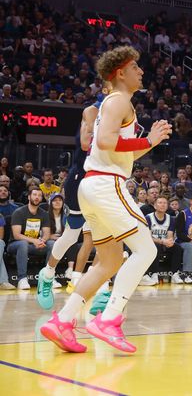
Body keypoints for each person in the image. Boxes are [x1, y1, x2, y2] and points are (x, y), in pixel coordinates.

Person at [40, 46, 171, 354]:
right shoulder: (119, 100)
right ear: (120, 72)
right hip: (105, 185)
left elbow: (120, 150)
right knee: (146, 249)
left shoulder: (114, 104)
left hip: (93, 186)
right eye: (135, 67)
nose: (141, 71)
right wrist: (149, 139)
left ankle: (63, 320)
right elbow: (104, 141)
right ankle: (109, 319)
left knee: (109, 261)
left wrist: (150, 143)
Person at [35, 89, 106, 308]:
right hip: (81, 178)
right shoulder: (92, 111)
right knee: (71, 235)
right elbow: (86, 144)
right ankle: (47, 275)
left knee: (107, 236)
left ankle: (101, 291)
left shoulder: (123, 112)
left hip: (104, 179)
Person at [8, 188, 52, 290]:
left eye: (39, 195)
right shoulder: (18, 212)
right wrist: (34, 241)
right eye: (34, 195)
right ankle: (22, 279)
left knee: (52, 244)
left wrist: (42, 241)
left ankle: (48, 278)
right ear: (29, 197)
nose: (37, 197)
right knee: (23, 243)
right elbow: (16, 235)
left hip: (35, 245)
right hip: (16, 245)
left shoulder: (44, 214)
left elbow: (46, 234)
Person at [145, 195, 181, 284]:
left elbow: (170, 235)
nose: (163, 205)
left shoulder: (171, 219)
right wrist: (162, 241)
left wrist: (169, 241)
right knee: (156, 246)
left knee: (177, 248)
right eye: (160, 203)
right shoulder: (148, 218)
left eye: (165, 203)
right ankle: (154, 274)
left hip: (164, 243)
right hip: (151, 243)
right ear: (155, 206)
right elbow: (148, 238)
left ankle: (174, 274)